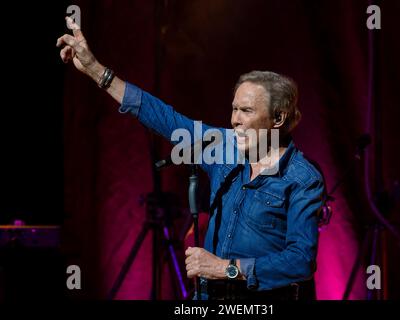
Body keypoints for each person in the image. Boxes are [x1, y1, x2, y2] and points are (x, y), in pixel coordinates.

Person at [57, 17, 324, 300]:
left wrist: (227, 268)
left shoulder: (302, 178)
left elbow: (300, 261)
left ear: (278, 118)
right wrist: (96, 71)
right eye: (233, 109)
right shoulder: (224, 148)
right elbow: (163, 117)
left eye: (246, 111)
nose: (235, 120)